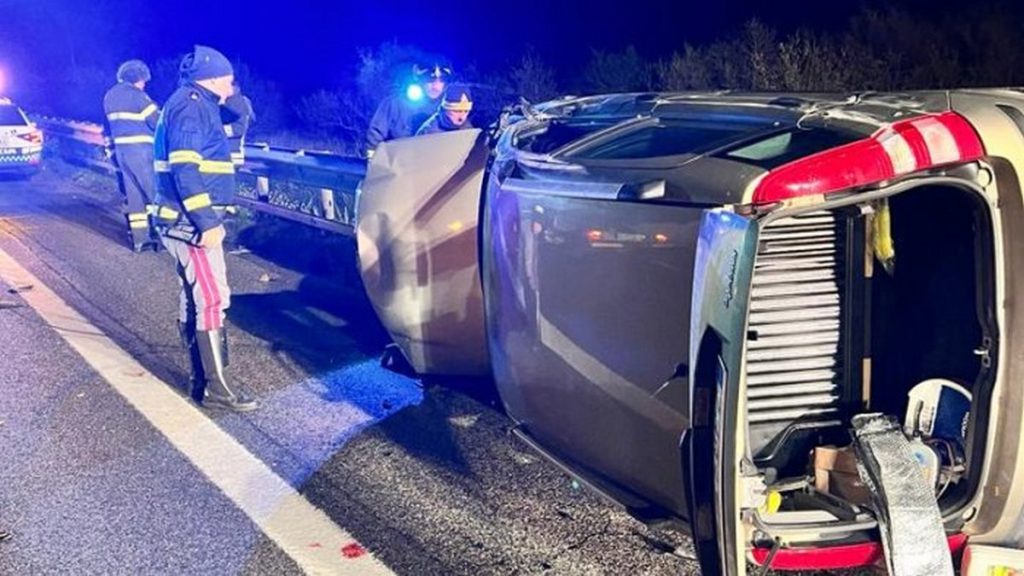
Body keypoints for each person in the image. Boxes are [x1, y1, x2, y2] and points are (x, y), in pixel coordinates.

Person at [152, 45, 258, 412]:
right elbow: (185, 168)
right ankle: (217, 387)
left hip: (184, 220)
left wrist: (234, 101)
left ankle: (203, 381)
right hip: (191, 223)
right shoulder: (193, 105)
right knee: (212, 298)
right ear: (212, 77)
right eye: (229, 79)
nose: (232, 84)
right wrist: (206, 222)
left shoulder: (195, 103)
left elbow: (234, 122)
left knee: (194, 296)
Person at [103, 60, 160, 252]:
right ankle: (163, 234)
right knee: (153, 192)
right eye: (144, 80)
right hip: (142, 151)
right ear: (137, 78)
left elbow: (108, 128)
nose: (144, 84)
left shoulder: (109, 96)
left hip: (122, 152)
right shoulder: (138, 96)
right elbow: (157, 122)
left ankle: (140, 240)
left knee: (134, 195)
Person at [364, 63, 451, 157]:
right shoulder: (396, 104)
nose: (435, 86)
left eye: (441, 80)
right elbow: (375, 137)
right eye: (429, 80)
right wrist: (373, 162)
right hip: (398, 165)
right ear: (419, 79)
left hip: (436, 166)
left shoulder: (451, 107)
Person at [221, 80, 255, 166]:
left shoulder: (237, 103)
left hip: (232, 154)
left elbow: (239, 129)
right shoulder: (227, 102)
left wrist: (218, 130)